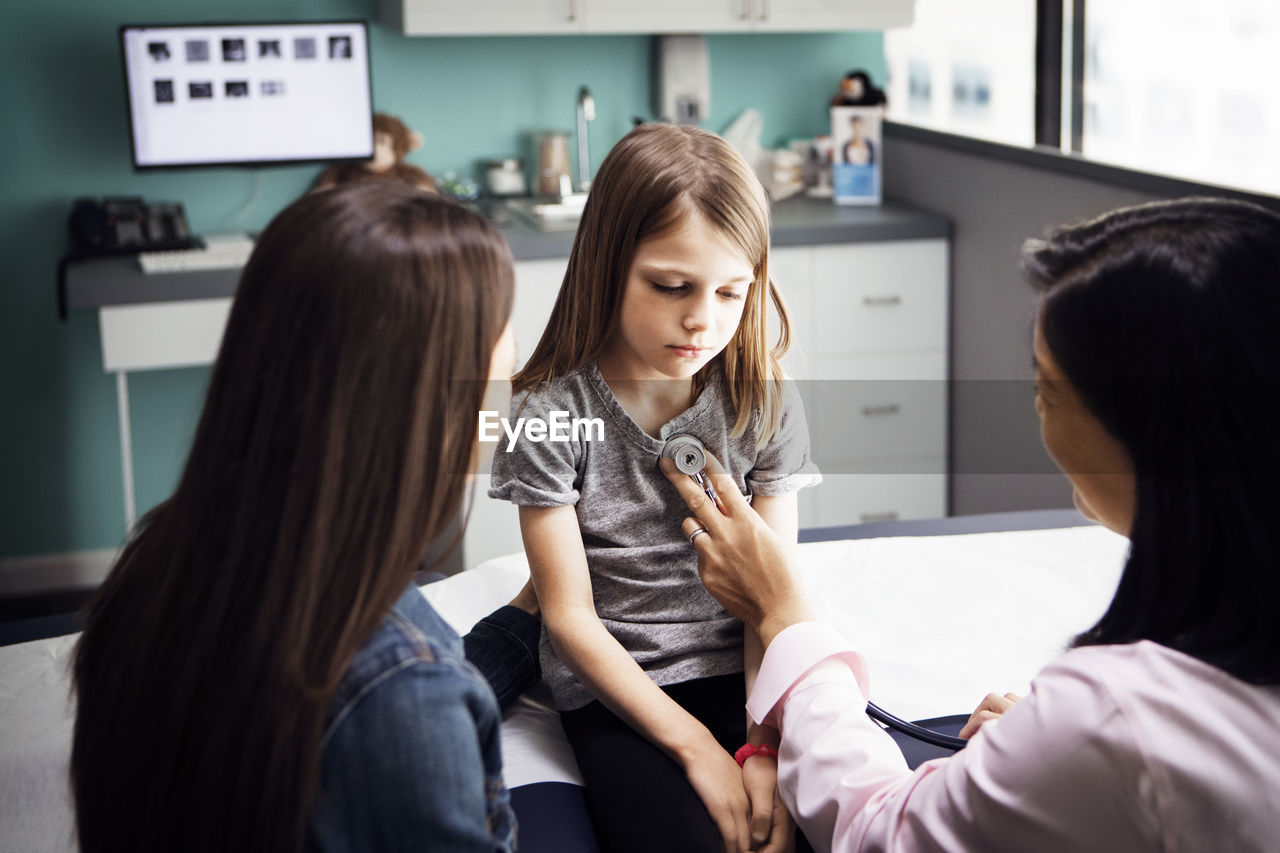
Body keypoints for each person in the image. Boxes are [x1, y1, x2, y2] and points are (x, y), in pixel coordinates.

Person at [662, 196, 1280, 851]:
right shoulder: (1129, 723)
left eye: (1045, 388)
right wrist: (1052, 760)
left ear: (1147, 431)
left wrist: (786, 613)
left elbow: (882, 832)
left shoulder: (1112, 720)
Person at [70, 182, 543, 852]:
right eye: (502, 355)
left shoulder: (161, 559)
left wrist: (523, 622)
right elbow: (394, 707)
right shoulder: (400, 693)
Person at [488, 123, 821, 853]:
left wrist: (763, 743)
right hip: (621, 688)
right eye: (672, 286)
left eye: (732, 291)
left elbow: (774, 594)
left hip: (749, 671)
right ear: (610, 265)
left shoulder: (763, 396)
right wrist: (698, 748)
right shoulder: (549, 413)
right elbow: (570, 619)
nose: (703, 318)